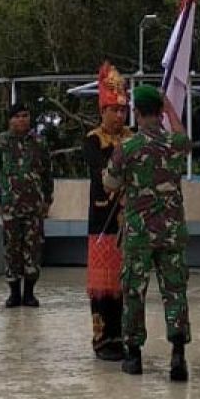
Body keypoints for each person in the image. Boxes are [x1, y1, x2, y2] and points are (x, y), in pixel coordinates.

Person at [103, 85, 191, 381]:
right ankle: (178, 355)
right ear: (160, 112)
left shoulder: (126, 148)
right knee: (175, 291)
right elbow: (185, 137)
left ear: (137, 113)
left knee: (134, 292)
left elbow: (111, 185)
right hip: (171, 233)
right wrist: (170, 107)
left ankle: (133, 356)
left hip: (139, 235)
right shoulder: (175, 143)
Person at [82, 61, 132, 361]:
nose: (119, 115)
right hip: (103, 221)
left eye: (123, 110)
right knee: (103, 286)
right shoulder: (93, 140)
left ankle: (124, 337)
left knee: (125, 284)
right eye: (114, 109)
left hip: (128, 223)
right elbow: (103, 172)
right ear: (103, 111)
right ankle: (103, 341)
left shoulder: (131, 137)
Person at [0, 102, 54, 308]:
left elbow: (47, 173)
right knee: (11, 249)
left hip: (33, 207)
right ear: (10, 120)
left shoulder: (39, 143)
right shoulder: (0, 143)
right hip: (10, 207)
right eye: (18, 116)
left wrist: (48, 199)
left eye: (25, 115)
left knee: (33, 249)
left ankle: (29, 293)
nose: (22, 119)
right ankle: (14, 293)